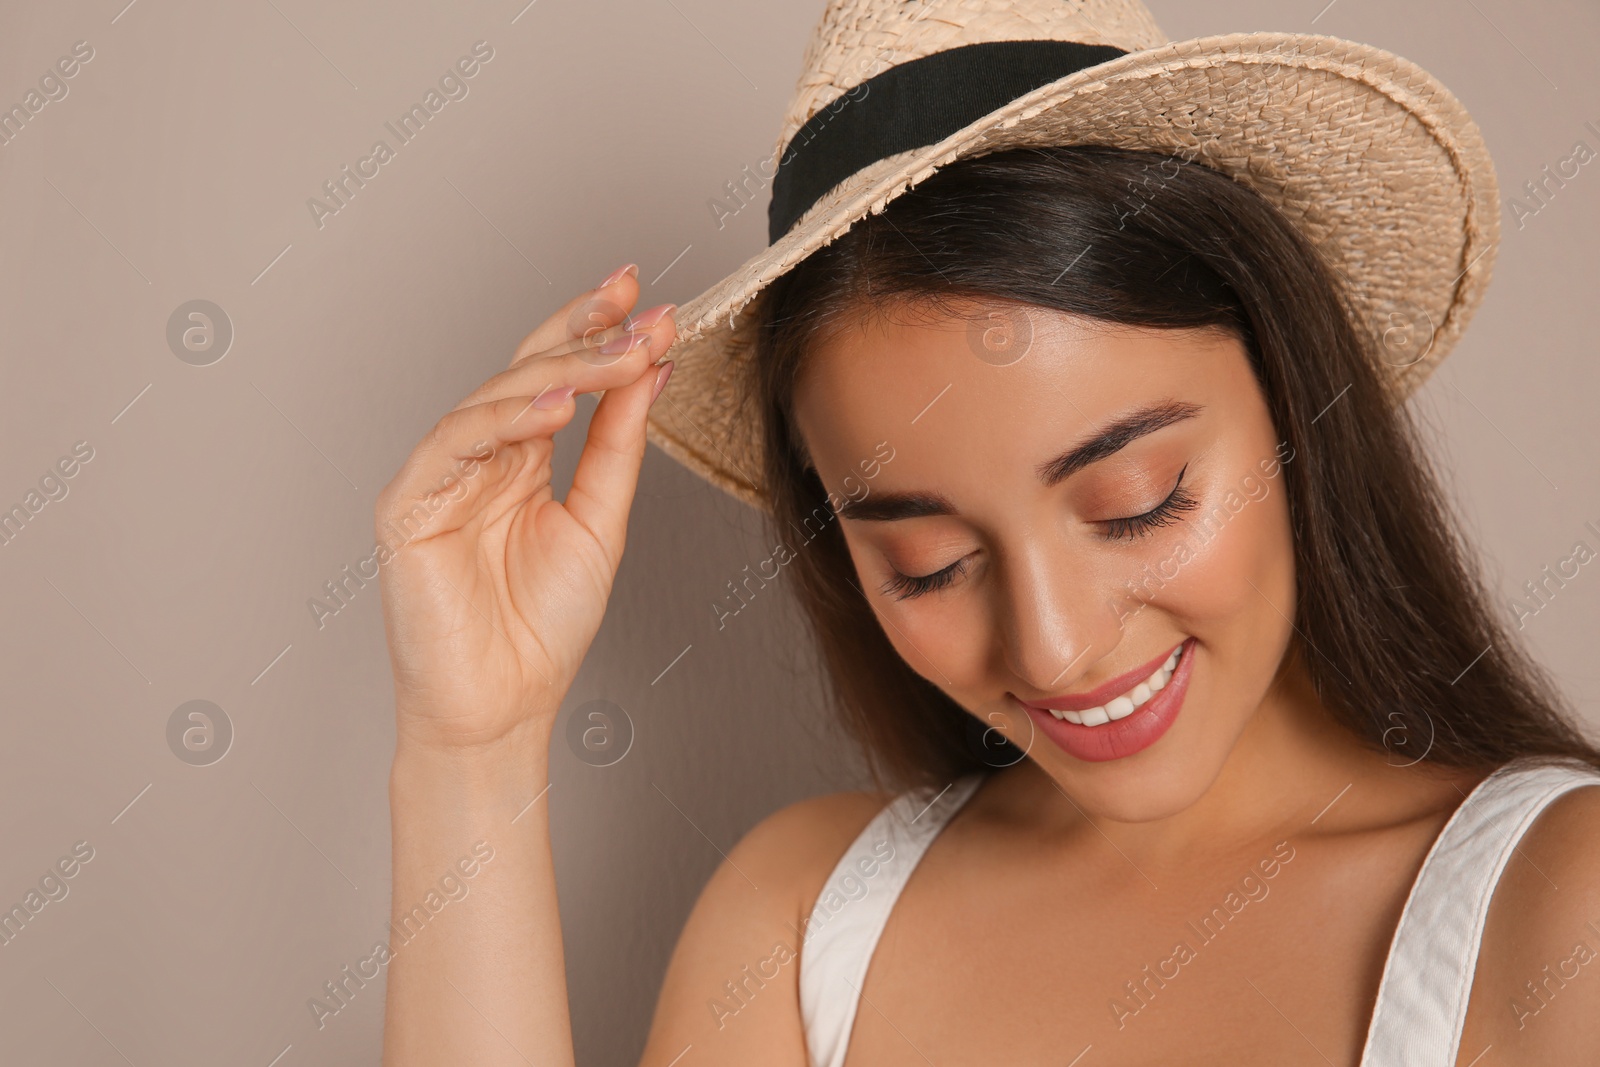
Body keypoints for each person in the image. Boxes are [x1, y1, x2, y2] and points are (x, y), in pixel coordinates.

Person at [376, 1, 1600, 1064]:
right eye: (930, 564)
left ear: (1293, 403)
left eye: (1137, 500)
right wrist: (471, 747)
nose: (1057, 646)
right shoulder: (804, 920)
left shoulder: (1561, 904)